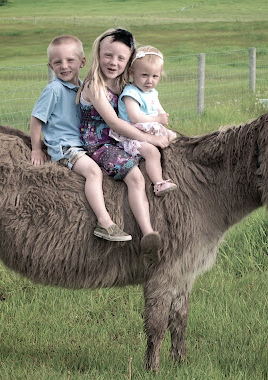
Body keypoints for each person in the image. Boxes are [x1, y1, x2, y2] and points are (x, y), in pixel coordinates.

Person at [77, 28, 170, 261]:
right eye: (108, 55)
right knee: (135, 177)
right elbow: (115, 123)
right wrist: (150, 138)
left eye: (121, 58)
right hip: (101, 144)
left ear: (129, 62)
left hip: (121, 140)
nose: (113, 62)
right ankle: (147, 232)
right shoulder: (95, 86)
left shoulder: (122, 85)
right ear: (98, 54)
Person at [30, 35, 131, 242]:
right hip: (65, 146)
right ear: (50, 66)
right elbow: (36, 119)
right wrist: (36, 148)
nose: (64, 66)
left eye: (70, 60)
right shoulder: (54, 90)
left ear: (82, 62)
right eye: (58, 62)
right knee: (94, 172)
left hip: (83, 144)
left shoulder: (85, 87)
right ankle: (104, 223)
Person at [110, 45, 178, 196]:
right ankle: (158, 183)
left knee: (173, 137)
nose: (149, 81)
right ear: (132, 73)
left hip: (148, 129)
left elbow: (158, 108)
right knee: (152, 152)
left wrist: (162, 115)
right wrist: (157, 119)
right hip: (133, 135)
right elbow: (135, 117)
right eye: (145, 75)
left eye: (155, 76)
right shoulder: (131, 93)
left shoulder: (151, 92)